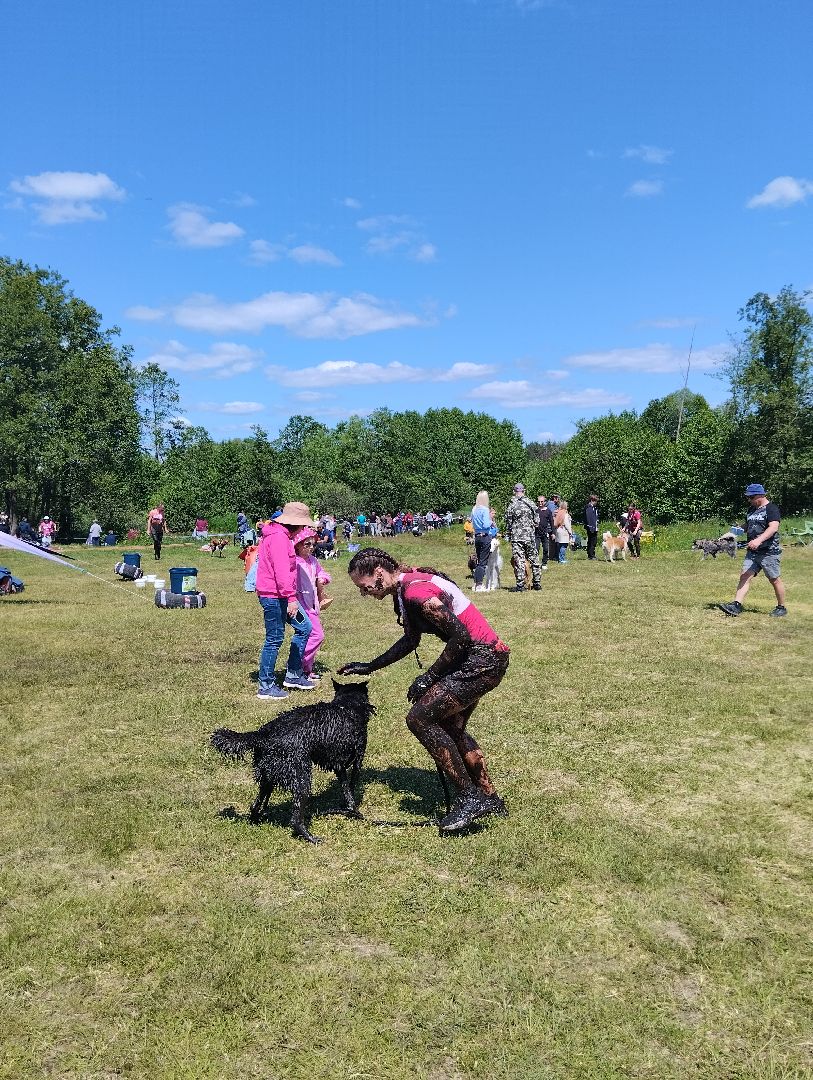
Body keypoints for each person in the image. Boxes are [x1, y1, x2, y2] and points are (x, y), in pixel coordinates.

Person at [338, 547, 510, 833]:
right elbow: (410, 641)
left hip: (484, 659)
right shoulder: (404, 590)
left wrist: (427, 677)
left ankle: (469, 799)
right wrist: (370, 666)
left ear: (378, 573)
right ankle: (489, 798)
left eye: (363, 586)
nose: (363, 593)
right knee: (450, 728)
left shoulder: (416, 593)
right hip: (481, 657)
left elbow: (461, 637)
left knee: (419, 718)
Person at [255, 501, 317, 700]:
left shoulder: (278, 535)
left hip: (279, 594)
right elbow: (282, 572)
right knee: (274, 638)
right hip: (274, 595)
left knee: (305, 628)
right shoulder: (280, 539)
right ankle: (266, 685)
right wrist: (291, 598)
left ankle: (293, 674)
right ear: (296, 524)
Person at [720, 484, 787, 618]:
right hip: (753, 551)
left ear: (761, 495)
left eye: (751, 497)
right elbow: (746, 526)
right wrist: (730, 534)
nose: (749, 500)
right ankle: (736, 605)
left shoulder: (771, 508)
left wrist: (758, 540)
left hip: (769, 551)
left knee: (774, 579)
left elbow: (773, 527)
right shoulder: (752, 509)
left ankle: (781, 607)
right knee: (745, 575)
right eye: (748, 497)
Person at [292, 527, 332, 682]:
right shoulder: (295, 562)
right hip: (301, 605)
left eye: (312, 544)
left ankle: (306, 669)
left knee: (310, 636)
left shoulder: (313, 561)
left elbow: (322, 573)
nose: (310, 547)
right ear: (298, 545)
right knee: (317, 635)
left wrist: (323, 578)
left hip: (313, 604)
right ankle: (298, 664)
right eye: (306, 544)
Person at [505, 483, 541, 590]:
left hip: (517, 537)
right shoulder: (531, 503)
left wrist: (508, 534)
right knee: (534, 559)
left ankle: (520, 585)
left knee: (519, 560)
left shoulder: (512, 505)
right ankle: (537, 583)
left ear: (514, 491)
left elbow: (508, 522)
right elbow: (537, 521)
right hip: (530, 536)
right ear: (524, 491)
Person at [470, 491, 492, 592]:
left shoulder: (474, 509)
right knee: (483, 562)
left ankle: (475, 583)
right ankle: (479, 585)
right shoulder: (485, 509)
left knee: (479, 560)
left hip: (477, 536)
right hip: (485, 536)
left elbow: (472, 522)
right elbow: (487, 524)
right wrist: (491, 520)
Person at [535, 495, 554, 570]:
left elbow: (552, 522)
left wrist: (553, 533)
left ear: (544, 502)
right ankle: (535, 563)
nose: (540, 503)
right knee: (536, 549)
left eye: (542, 501)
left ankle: (544, 563)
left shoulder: (548, 511)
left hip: (545, 533)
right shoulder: (535, 510)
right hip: (536, 533)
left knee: (546, 549)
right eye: (539, 501)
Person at [584, 495, 599, 561]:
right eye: (596, 501)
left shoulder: (593, 507)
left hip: (593, 527)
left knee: (592, 541)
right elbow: (589, 518)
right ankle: (591, 555)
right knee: (592, 541)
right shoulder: (589, 507)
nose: (596, 503)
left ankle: (591, 554)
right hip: (591, 527)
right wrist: (591, 527)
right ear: (592, 500)